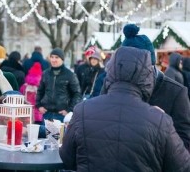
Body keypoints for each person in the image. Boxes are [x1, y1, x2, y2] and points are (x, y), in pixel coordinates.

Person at [60, 46, 190, 171]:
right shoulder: (160, 120)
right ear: (147, 76)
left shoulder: (82, 110)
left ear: (111, 71)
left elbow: (67, 158)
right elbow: (183, 166)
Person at [115, 23, 190, 151]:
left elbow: (185, 143)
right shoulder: (113, 86)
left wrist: (164, 127)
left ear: (150, 64)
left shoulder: (175, 92)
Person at [36, 48, 82, 123]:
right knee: (43, 134)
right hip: (47, 113)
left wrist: (69, 110)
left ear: (62, 59)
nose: (54, 60)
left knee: (60, 135)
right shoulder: (45, 73)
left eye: (56, 57)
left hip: (61, 115)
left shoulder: (70, 75)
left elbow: (77, 94)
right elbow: (40, 90)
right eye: (52, 57)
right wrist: (39, 105)